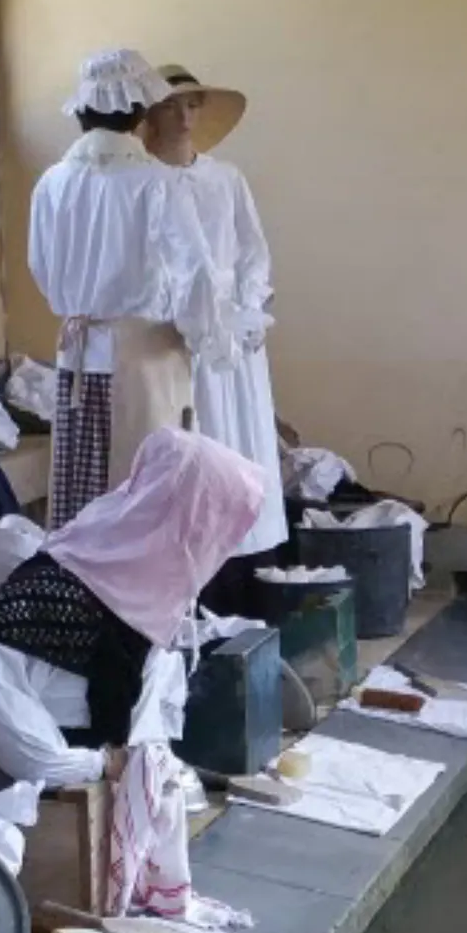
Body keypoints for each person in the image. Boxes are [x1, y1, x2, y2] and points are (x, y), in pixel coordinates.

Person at [0, 428, 266, 790]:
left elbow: (150, 724)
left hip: (110, 801)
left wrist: (149, 768)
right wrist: (105, 763)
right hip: (21, 811)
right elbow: (16, 739)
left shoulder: (151, 600)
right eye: (210, 532)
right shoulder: (44, 598)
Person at [29, 49, 239, 529]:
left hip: (77, 355)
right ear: (139, 108)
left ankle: (81, 599)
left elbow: (40, 268)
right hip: (145, 359)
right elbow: (198, 274)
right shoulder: (155, 182)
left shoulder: (52, 183)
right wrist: (209, 337)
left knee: (85, 504)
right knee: (146, 503)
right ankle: (141, 603)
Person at [144, 64, 287, 615]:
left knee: (240, 441)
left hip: (234, 337)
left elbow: (253, 251)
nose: (184, 116)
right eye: (173, 105)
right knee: (194, 446)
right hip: (174, 337)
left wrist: (246, 312)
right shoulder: (142, 184)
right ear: (151, 113)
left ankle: (248, 572)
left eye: (193, 105)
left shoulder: (225, 179)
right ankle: (193, 576)